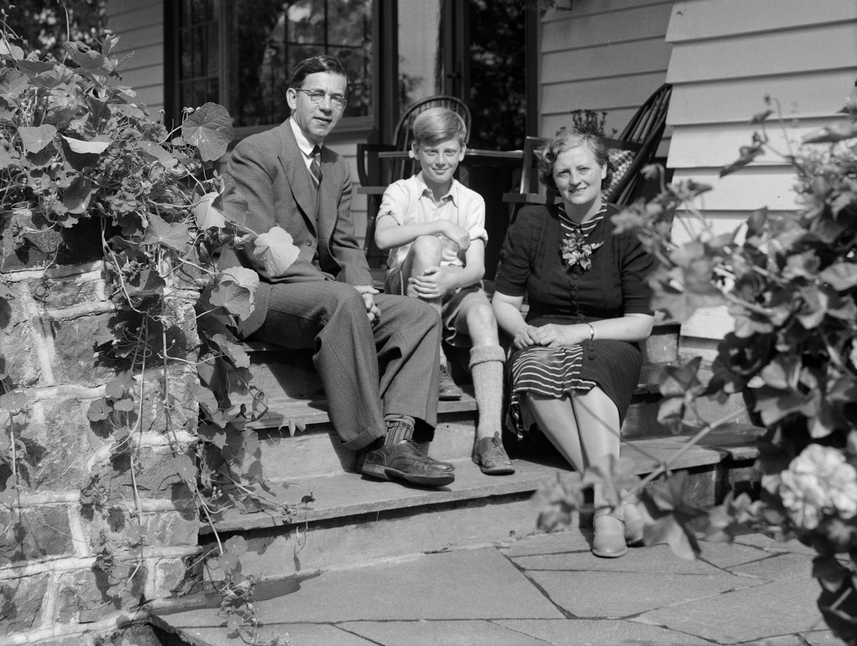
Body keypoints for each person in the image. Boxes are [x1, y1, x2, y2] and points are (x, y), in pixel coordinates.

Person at [226, 55, 454, 488]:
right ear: (293, 97)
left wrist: (365, 289)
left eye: (338, 98)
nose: (327, 106)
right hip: (263, 292)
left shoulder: (336, 165)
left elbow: (346, 246)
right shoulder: (255, 152)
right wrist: (346, 292)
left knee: (420, 315)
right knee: (342, 298)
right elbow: (259, 245)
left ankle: (400, 439)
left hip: (325, 295)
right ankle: (371, 441)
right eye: (317, 95)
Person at [491, 130, 655, 557]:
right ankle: (620, 499)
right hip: (545, 333)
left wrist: (578, 333)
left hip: (610, 337)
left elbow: (641, 323)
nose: (575, 179)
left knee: (588, 372)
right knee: (530, 366)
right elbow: (504, 302)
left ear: (604, 170)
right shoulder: (532, 223)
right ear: (554, 179)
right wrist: (518, 329)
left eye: (584, 168)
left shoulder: (629, 229)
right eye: (564, 172)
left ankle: (604, 509)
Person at [374, 107, 514, 475]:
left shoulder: (471, 200)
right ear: (415, 151)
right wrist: (437, 225)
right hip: (406, 290)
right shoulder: (401, 191)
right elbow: (383, 237)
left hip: (450, 287)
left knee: (484, 312)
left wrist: (448, 281)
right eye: (431, 151)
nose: (440, 160)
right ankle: (434, 362)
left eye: (449, 152)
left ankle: (489, 435)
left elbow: (478, 268)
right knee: (427, 245)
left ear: (462, 152)